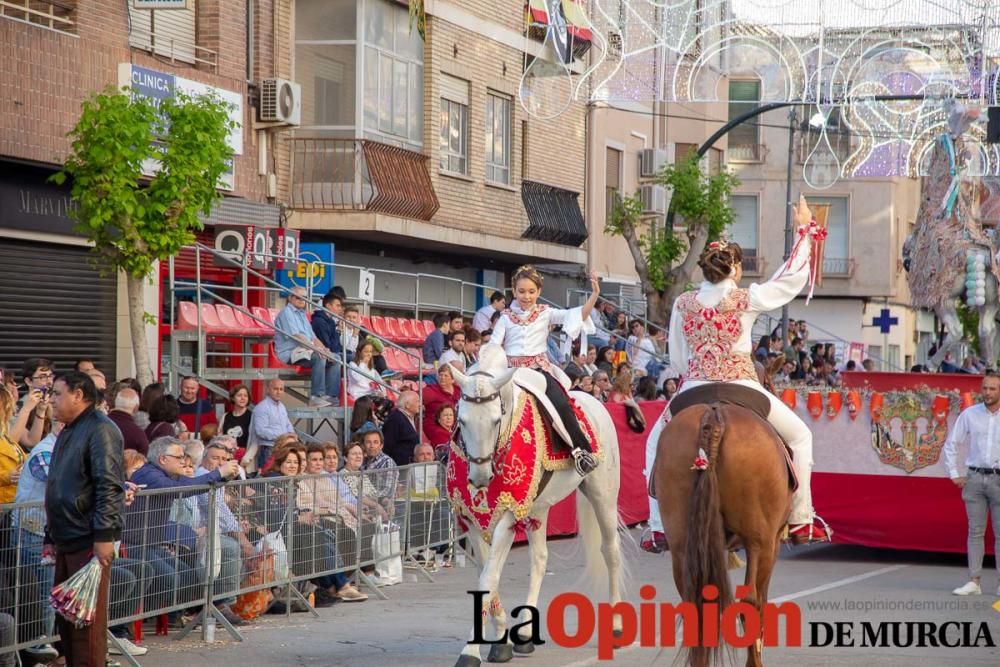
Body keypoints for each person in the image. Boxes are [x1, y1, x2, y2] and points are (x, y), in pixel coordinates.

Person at [666, 195, 829, 543]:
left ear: (705, 270)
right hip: (742, 384)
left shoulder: (682, 303)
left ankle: (655, 526)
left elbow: (676, 359)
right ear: (735, 270)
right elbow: (790, 280)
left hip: (692, 386)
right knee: (801, 437)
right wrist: (803, 232)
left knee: (655, 446)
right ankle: (801, 517)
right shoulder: (745, 298)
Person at [44, 371, 125, 666]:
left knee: (86, 626)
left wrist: (105, 536)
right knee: (68, 622)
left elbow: (109, 485)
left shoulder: (101, 429)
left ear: (78, 394)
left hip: (88, 538)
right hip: (67, 535)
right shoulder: (69, 429)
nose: (51, 399)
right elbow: (57, 485)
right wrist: (51, 534)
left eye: (57, 393)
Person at [489, 265, 600, 475]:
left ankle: (581, 450)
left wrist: (594, 294)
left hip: (538, 371)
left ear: (539, 292)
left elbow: (577, 315)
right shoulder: (504, 317)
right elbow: (494, 346)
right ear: (514, 291)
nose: (526, 296)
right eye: (521, 291)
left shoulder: (545, 313)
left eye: (531, 291)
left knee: (561, 404)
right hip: (511, 372)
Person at [944, 373, 1000, 596]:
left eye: (993, 389)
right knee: (975, 531)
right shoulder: (970, 414)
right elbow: (952, 443)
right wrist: (955, 473)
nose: (987, 392)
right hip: (975, 478)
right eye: (985, 388)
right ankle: (974, 581)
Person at [274, 287, 339, 407]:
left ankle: (330, 397)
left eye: (304, 298)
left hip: (305, 350)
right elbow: (297, 337)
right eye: (298, 297)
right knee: (319, 357)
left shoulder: (302, 314)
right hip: (290, 353)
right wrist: (316, 349)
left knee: (335, 358)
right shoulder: (286, 313)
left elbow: (314, 338)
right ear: (290, 298)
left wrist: (324, 349)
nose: (301, 300)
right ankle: (316, 396)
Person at [242, 378, 295, 472]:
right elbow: (261, 431)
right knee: (269, 478)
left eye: (281, 389)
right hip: (268, 450)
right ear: (268, 389)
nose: (278, 392)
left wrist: (292, 435)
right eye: (275, 389)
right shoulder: (262, 408)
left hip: (283, 448)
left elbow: (288, 424)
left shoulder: (282, 407)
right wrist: (283, 437)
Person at [311, 292, 346, 400]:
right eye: (337, 305)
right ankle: (329, 395)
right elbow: (329, 347)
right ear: (328, 306)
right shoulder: (319, 322)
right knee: (341, 358)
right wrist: (338, 332)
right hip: (321, 353)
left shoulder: (330, 321)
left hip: (330, 351)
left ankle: (335, 395)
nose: (340, 309)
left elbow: (335, 346)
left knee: (354, 356)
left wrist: (338, 331)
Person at [382, 390, 421, 466]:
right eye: (417, 401)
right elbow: (388, 445)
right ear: (407, 405)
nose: (420, 404)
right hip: (398, 467)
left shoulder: (405, 417)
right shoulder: (395, 419)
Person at [107, 388, 149, 456]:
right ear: (136, 408)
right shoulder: (138, 434)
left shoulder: (99, 423)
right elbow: (143, 462)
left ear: (116, 403)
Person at [421, 364, 460, 437]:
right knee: (441, 434)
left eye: (446, 375)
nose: (442, 378)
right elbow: (415, 397)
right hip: (435, 426)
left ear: (453, 379)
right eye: (440, 375)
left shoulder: (459, 391)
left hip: (455, 427)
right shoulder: (431, 390)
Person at [221, 383, 253, 453]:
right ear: (233, 398)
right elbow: (220, 437)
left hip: (245, 457)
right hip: (227, 456)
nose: (243, 398)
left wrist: (247, 457)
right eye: (239, 395)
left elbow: (254, 441)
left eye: (245, 396)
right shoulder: (225, 416)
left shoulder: (252, 417)